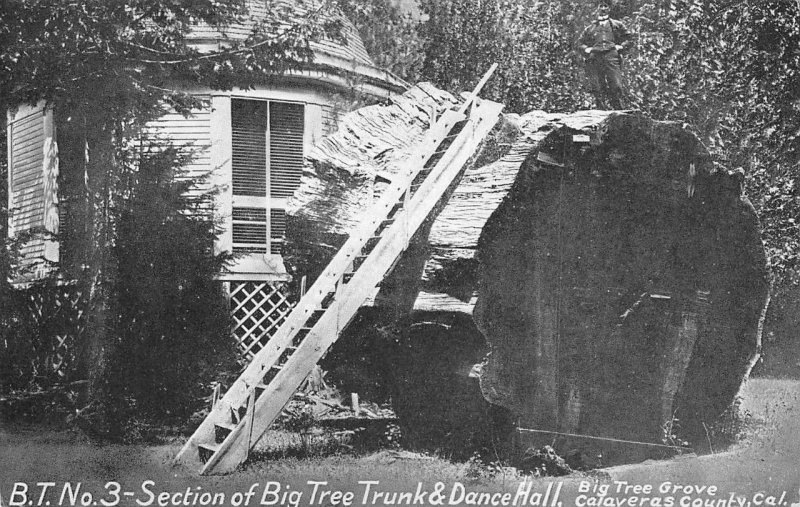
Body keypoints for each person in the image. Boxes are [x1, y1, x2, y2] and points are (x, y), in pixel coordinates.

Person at [578, 1, 632, 110]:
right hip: (595, 57)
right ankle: (601, 111)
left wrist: (620, 47)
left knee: (616, 84)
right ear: (597, 9)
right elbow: (579, 43)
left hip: (611, 56)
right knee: (597, 86)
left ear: (609, 9)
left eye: (605, 6)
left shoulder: (617, 25)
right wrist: (587, 49)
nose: (603, 9)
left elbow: (629, 39)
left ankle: (619, 111)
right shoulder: (590, 28)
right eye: (600, 6)